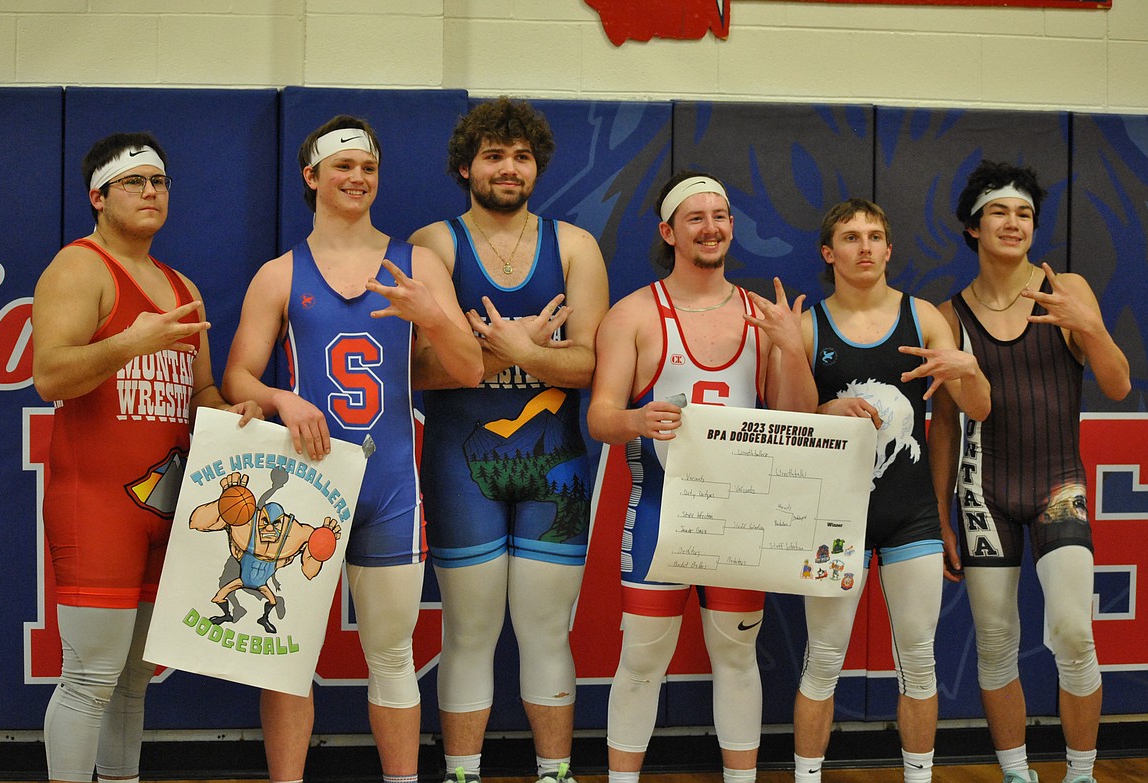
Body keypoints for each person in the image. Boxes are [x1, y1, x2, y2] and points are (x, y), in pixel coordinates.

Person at [221, 115, 483, 783]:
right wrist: (282, 398)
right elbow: (237, 377)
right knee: (285, 656)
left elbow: (469, 367)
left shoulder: (416, 264)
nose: (357, 178)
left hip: (391, 482)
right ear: (311, 177)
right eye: (342, 166)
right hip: (306, 482)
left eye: (367, 167)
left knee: (392, 654)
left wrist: (433, 315)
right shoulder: (280, 273)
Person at [31, 132, 261, 783]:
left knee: (134, 682)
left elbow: (201, 393)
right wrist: (128, 343)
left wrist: (232, 414)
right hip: (97, 502)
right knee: (89, 678)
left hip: (165, 505)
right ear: (97, 196)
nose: (152, 192)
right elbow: (50, 375)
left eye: (159, 181)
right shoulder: (78, 268)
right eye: (135, 181)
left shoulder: (180, 285)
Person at [586, 171, 817, 783]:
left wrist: (791, 350)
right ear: (669, 231)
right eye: (696, 217)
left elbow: (799, 419)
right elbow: (601, 417)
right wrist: (636, 417)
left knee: (738, 657)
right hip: (662, 514)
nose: (711, 228)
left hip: (740, 521)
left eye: (721, 216)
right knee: (640, 660)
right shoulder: (634, 313)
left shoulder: (760, 316)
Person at [409, 97, 609, 783]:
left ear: (536, 167)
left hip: (556, 467)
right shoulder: (434, 244)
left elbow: (590, 365)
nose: (509, 167)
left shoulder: (576, 246)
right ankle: (463, 774)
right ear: (467, 165)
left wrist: (499, 347)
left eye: (521, 156)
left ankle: (555, 773)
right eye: (494, 155)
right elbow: (425, 370)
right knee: (468, 633)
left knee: (547, 631)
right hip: (462, 466)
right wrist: (520, 350)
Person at [930, 161, 1131, 783]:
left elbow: (1119, 384)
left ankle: (1081, 771)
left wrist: (1090, 326)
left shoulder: (1065, 288)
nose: (1014, 223)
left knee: (1073, 631)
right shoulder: (951, 313)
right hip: (982, 492)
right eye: (1000, 211)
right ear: (973, 227)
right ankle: (1016, 772)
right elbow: (942, 423)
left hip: (1057, 485)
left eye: (1024, 213)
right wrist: (941, 513)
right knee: (995, 640)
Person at [792, 198, 991, 783]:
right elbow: (781, 421)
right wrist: (826, 405)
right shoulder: (808, 327)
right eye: (851, 237)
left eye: (875, 236)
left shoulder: (926, 318)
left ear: (889, 249)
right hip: (834, 518)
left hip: (912, 517)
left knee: (919, 662)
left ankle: (920, 776)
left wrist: (969, 370)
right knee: (823, 661)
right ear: (830, 253)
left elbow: (978, 409)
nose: (865, 247)